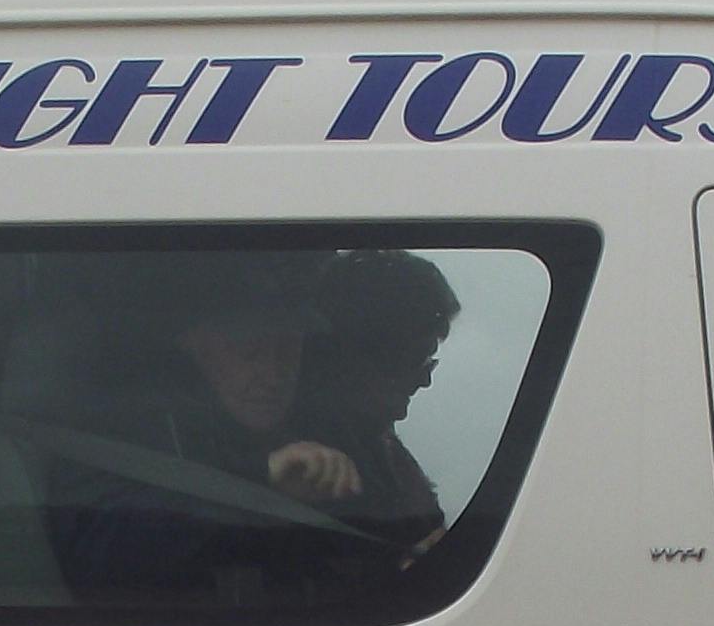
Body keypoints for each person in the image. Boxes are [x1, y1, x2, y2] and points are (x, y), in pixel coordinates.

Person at [49, 266, 385, 607]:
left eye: (288, 349)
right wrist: (258, 483)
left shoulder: (318, 434)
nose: (273, 375)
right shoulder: (127, 434)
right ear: (194, 347)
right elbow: (102, 557)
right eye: (249, 351)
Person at [290, 249, 461, 550]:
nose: (425, 379)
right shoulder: (308, 467)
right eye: (415, 360)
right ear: (353, 355)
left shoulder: (381, 451)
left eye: (429, 363)